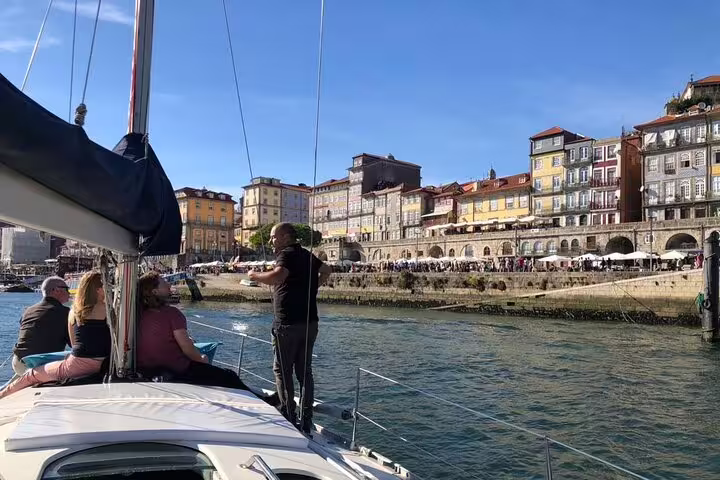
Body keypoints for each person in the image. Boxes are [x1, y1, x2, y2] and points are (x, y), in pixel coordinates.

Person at [249, 222, 332, 433]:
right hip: (310, 323)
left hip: (287, 323)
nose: (270, 241)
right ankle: (306, 418)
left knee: (282, 370)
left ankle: (288, 414)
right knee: (305, 372)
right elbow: (327, 270)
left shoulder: (285, 254)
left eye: (273, 237)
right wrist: (313, 287)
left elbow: (278, 276)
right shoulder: (306, 255)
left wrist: (254, 275)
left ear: (286, 237)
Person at [0, 271, 109, 399]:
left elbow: (75, 345)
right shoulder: (110, 310)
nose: (69, 293)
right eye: (66, 289)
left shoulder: (74, 311)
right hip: (105, 363)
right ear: (98, 290)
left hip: (22, 361)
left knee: (31, 375)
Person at [136, 271, 251, 390]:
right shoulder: (172, 314)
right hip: (177, 372)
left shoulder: (138, 314)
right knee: (230, 376)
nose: (169, 284)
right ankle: (265, 401)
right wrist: (201, 359)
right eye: (164, 282)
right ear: (155, 292)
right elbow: (186, 346)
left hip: (146, 371)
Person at [11, 276, 71, 376]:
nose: (69, 293)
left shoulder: (28, 310)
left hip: (18, 363)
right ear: (56, 290)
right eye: (67, 289)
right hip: (39, 365)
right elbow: (74, 344)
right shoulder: (65, 313)